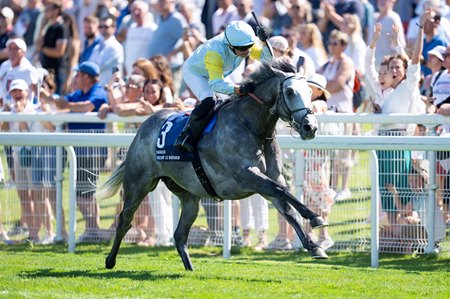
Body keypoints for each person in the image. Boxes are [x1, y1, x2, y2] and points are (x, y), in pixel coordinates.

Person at [174, 20, 272, 152]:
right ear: (230, 46)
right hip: (195, 73)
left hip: (216, 73)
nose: (247, 51)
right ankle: (186, 135)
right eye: (243, 49)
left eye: (250, 46)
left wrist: (265, 42)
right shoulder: (215, 51)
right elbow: (215, 83)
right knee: (210, 101)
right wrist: (238, 89)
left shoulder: (244, 41)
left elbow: (269, 60)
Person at [40, 61, 108, 242]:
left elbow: (87, 107)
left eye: (78, 74)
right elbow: (64, 102)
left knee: (84, 194)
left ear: (85, 76)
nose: (75, 78)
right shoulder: (78, 93)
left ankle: (93, 230)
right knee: (83, 193)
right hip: (80, 150)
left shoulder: (98, 91)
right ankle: (92, 230)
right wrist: (50, 99)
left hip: (92, 150)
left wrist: (62, 104)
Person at [35, 0, 68, 95]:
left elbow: (59, 52)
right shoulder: (49, 27)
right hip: (47, 71)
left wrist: (42, 49)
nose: (45, 11)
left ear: (56, 10)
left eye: (48, 9)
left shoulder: (61, 28)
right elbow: (38, 44)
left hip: (57, 72)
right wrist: (42, 25)